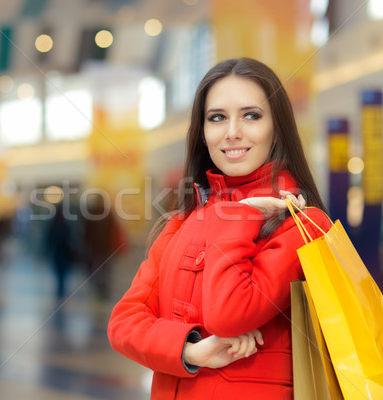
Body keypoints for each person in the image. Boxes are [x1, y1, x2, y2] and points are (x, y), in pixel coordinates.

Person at [107, 58, 332, 399]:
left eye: (251, 115)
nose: (232, 132)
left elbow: (230, 315)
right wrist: (190, 349)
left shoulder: (303, 225)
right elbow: (123, 322)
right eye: (217, 118)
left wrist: (239, 215)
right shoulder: (179, 224)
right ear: (203, 133)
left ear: (277, 128)